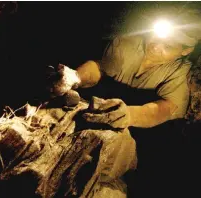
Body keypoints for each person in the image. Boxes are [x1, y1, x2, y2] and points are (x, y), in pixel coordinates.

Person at [49, 5, 201, 197]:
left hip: (140, 140)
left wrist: (128, 114)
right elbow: (101, 68)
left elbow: (166, 108)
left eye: (168, 46)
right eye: (158, 37)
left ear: (185, 51)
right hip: (92, 110)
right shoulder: (129, 43)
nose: (155, 46)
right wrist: (76, 77)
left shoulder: (180, 73)